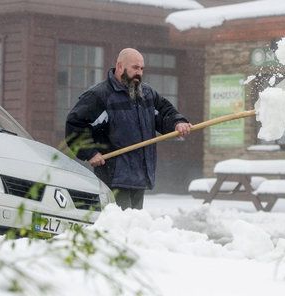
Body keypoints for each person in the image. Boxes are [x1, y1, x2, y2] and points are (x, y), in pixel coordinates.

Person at [65, 48, 192, 210]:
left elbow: (165, 112)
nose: (139, 72)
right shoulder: (100, 96)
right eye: (135, 67)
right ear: (119, 67)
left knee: (133, 226)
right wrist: (90, 152)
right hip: (114, 176)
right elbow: (75, 124)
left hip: (140, 175)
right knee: (119, 225)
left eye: (141, 68)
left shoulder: (147, 94)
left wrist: (177, 122)